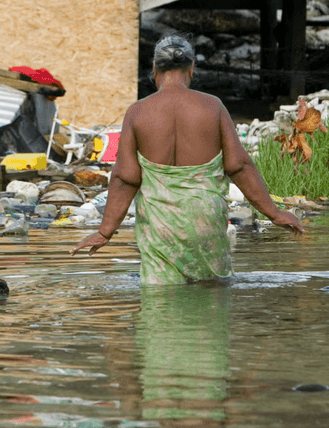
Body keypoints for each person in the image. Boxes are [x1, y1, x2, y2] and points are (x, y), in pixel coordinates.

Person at [70, 35, 304, 284]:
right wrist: (275, 213)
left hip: (160, 228)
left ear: (154, 68)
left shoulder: (137, 112)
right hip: (206, 221)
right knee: (212, 294)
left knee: (160, 303)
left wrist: (105, 232)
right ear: (191, 68)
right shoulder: (213, 107)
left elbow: (124, 178)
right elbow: (240, 166)